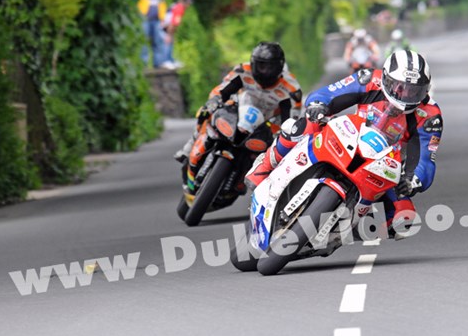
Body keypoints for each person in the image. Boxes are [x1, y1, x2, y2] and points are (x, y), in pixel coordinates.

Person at [246, 49, 443, 234]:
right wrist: (318, 105)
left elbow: (425, 160)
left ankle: (350, 231)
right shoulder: (368, 79)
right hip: (352, 137)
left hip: (386, 165)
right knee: (302, 125)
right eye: (401, 88)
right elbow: (330, 92)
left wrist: (413, 181)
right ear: (386, 79)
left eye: (414, 91)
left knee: (405, 219)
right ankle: (265, 166)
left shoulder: (430, 116)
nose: (406, 95)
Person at [174, 42, 303, 189]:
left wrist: (282, 134)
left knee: (278, 151)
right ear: (253, 63)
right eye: (262, 66)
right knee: (206, 111)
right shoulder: (243, 70)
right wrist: (215, 100)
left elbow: (291, 120)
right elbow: (222, 89)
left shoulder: (291, 87)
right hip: (239, 111)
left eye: (270, 67)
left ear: (279, 66)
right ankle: (189, 146)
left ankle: (260, 183)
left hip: (266, 123)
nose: (265, 71)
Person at [136, 0, 168, 68]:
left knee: (158, 42)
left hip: (157, 20)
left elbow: (162, 5)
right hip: (144, 19)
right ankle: (143, 64)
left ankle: (158, 64)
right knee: (144, 41)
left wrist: (163, 18)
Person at [162, 0, 192, 69]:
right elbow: (173, 24)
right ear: (185, 3)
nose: (188, 6)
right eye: (189, 4)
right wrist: (169, 35)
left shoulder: (176, 6)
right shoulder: (180, 9)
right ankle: (166, 61)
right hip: (165, 27)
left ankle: (170, 60)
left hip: (166, 26)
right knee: (168, 43)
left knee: (170, 42)